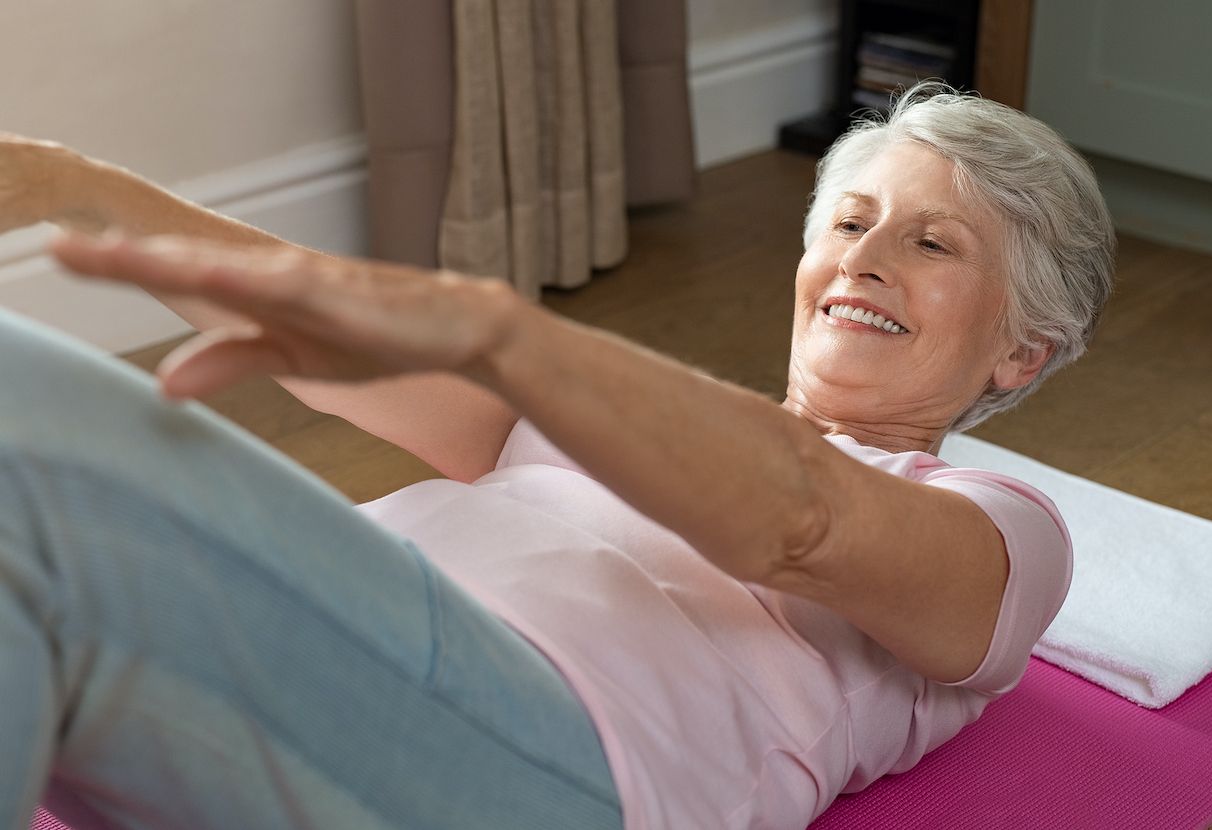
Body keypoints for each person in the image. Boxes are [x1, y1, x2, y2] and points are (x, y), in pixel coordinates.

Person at [0, 82, 1115, 830]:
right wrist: (76, 190)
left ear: (1019, 352)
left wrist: (511, 337)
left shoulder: (999, 527)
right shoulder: (605, 417)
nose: (864, 259)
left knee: (27, 406)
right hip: (322, 697)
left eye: (929, 243)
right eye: (847, 223)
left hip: (547, 762)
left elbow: (799, 518)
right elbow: (327, 332)